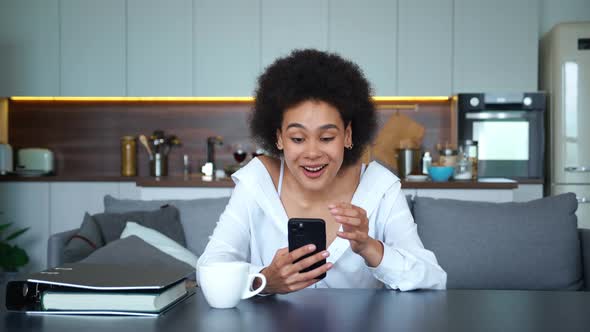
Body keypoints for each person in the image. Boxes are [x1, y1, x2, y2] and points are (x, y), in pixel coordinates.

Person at [197, 49, 447, 293]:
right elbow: (210, 268)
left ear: (348, 135)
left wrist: (369, 247)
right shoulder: (257, 180)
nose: (312, 153)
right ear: (279, 138)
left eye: (326, 137)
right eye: (297, 138)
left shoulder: (379, 186)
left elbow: (433, 279)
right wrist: (263, 281)